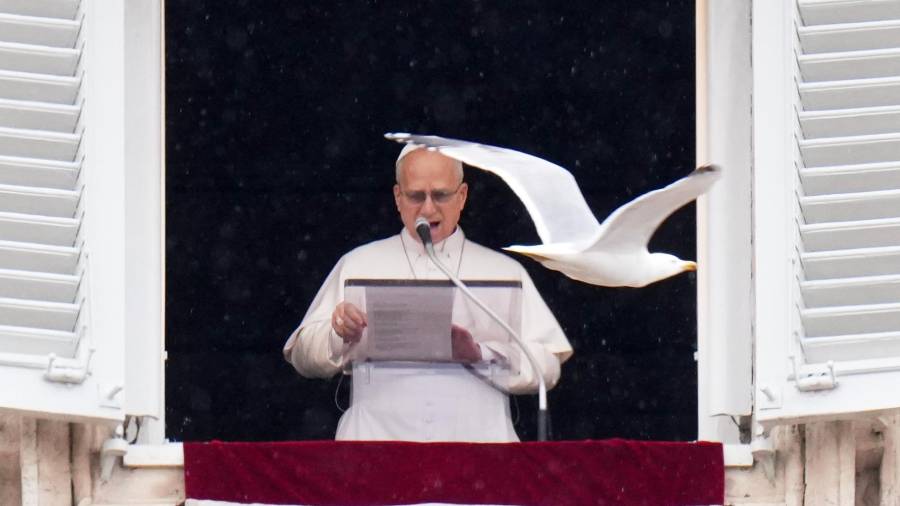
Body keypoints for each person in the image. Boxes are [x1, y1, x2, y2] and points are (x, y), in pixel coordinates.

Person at [283, 144, 572, 442]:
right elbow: (303, 357)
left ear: (462, 197)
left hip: (479, 450)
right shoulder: (357, 263)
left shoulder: (504, 271)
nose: (428, 208)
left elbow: (546, 368)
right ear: (398, 197)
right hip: (376, 447)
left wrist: (478, 354)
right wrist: (337, 334)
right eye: (416, 196)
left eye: (441, 195)